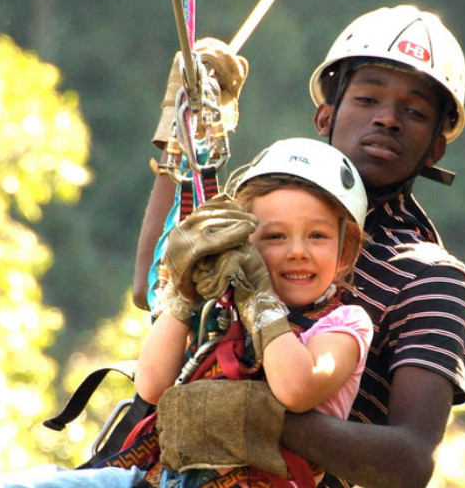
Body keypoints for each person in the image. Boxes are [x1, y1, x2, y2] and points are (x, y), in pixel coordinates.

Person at [134, 4, 465, 488]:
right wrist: (184, 137)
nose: (388, 120)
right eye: (366, 99)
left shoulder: (431, 279)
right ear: (325, 115)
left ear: (435, 147)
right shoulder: (263, 216)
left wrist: (259, 415)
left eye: (415, 112)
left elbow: (409, 461)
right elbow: (153, 287)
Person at [136, 137, 373, 487]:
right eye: (276, 236)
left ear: (345, 250)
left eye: (318, 236)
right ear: (244, 242)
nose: (297, 251)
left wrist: (258, 298)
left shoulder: (344, 326)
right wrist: (186, 292)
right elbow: (152, 386)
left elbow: (295, 389)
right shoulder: (220, 311)